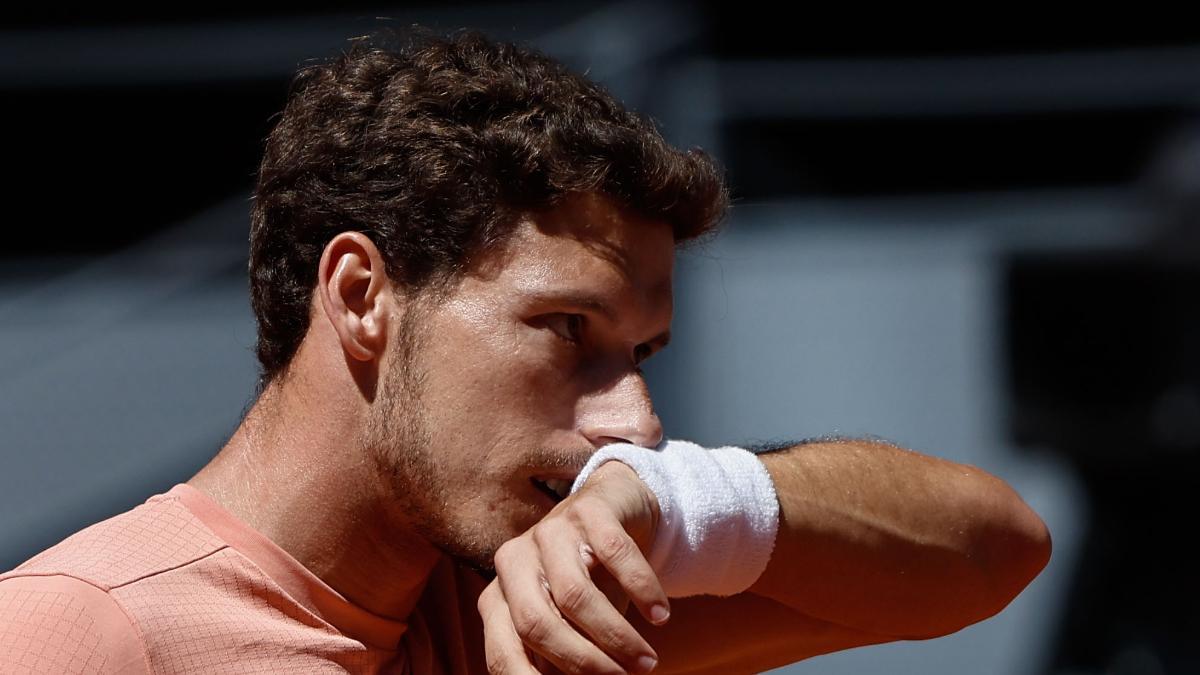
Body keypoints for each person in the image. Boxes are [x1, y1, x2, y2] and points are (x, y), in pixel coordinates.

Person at [0, 29, 1051, 674]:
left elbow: (997, 547)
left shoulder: (545, 592)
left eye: (640, 354)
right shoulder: (80, 633)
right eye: (568, 333)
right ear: (364, 296)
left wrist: (676, 507)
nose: (632, 425)